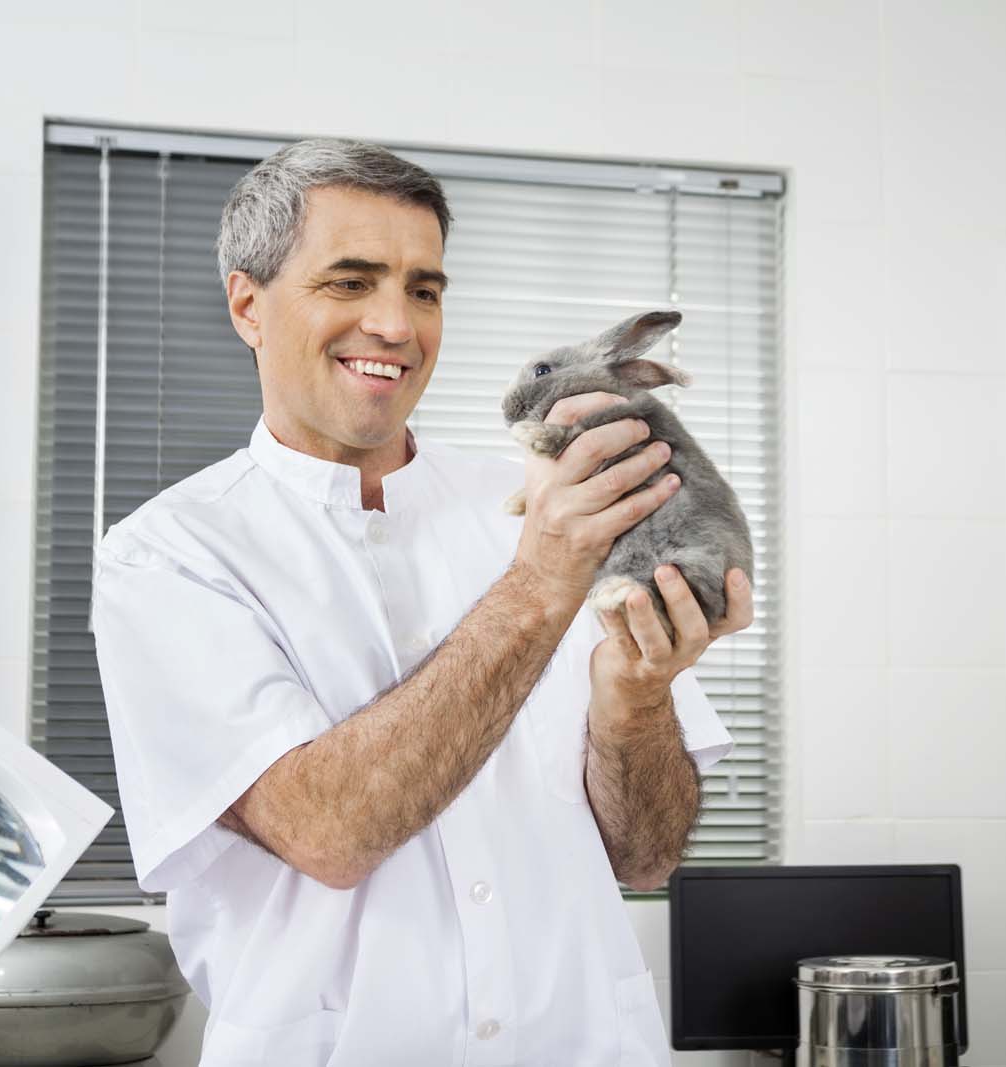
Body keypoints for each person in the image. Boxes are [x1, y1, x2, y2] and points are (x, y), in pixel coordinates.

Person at [89, 138, 754, 1066]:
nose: (397, 325)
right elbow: (331, 829)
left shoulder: (549, 499)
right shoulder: (168, 557)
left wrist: (635, 699)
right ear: (248, 305)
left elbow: (645, 854)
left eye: (425, 289)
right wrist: (539, 588)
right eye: (350, 282)